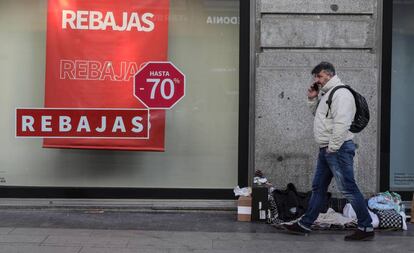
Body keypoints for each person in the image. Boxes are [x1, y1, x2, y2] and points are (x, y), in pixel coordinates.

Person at [283, 62, 374, 241]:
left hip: (337, 149)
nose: (316, 80)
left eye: (318, 76)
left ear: (328, 75)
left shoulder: (342, 94)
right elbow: (321, 118)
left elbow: (342, 124)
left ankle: (366, 226)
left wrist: (333, 148)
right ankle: (305, 224)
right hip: (328, 149)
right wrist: (312, 98)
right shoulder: (327, 94)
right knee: (318, 188)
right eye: (315, 77)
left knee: (348, 188)